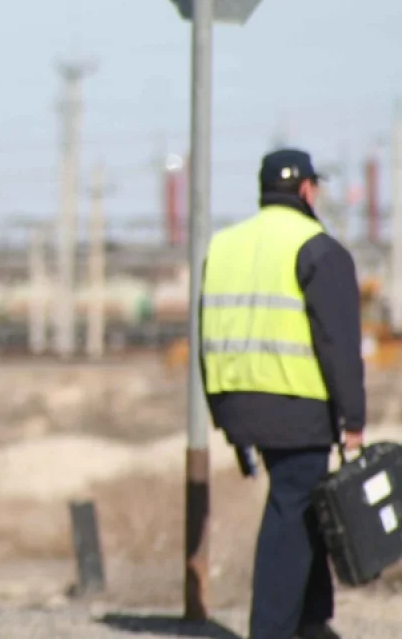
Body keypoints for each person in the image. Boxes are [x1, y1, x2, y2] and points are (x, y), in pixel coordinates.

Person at [200, 148, 366, 639]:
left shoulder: (225, 245)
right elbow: (338, 342)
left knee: (307, 500)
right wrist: (353, 418)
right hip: (296, 401)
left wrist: (219, 409)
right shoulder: (318, 247)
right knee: (292, 506)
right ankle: (273, 629)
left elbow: (204, 328)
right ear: (306, 190)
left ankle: (312, 622)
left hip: (236, 398)